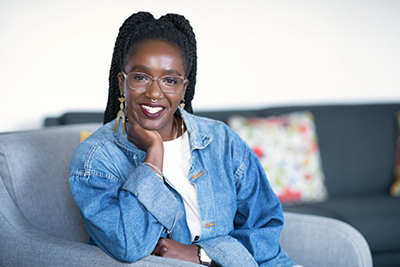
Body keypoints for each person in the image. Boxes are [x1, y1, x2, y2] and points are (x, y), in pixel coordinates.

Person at [69, 11, 300, 267]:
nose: (155, 92)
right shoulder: (96, 157)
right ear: (122, 82)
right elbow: (127, 245)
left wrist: (202, 254)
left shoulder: (221, 141)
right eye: (141, 77)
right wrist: (153, 155)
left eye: (170, 80)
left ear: (183, 90)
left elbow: (264, 229)